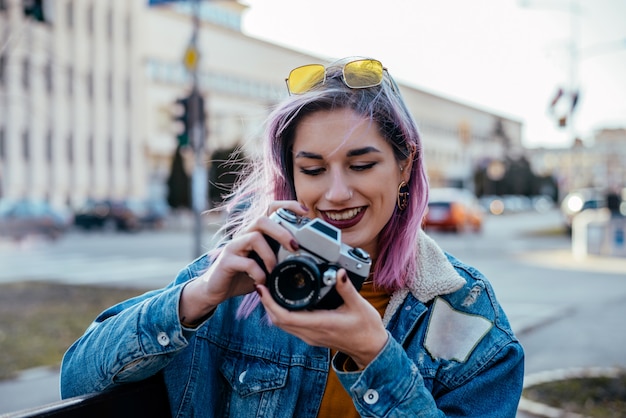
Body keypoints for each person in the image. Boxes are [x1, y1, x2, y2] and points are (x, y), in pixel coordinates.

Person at [61, 57, 524, 417]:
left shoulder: (463, 313)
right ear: (291, 176)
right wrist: (198, 296)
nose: (337, 192)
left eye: (362, 165)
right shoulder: (242, 278)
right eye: (313, 169)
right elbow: (76, 380)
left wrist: (376, 355)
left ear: (404, 167)